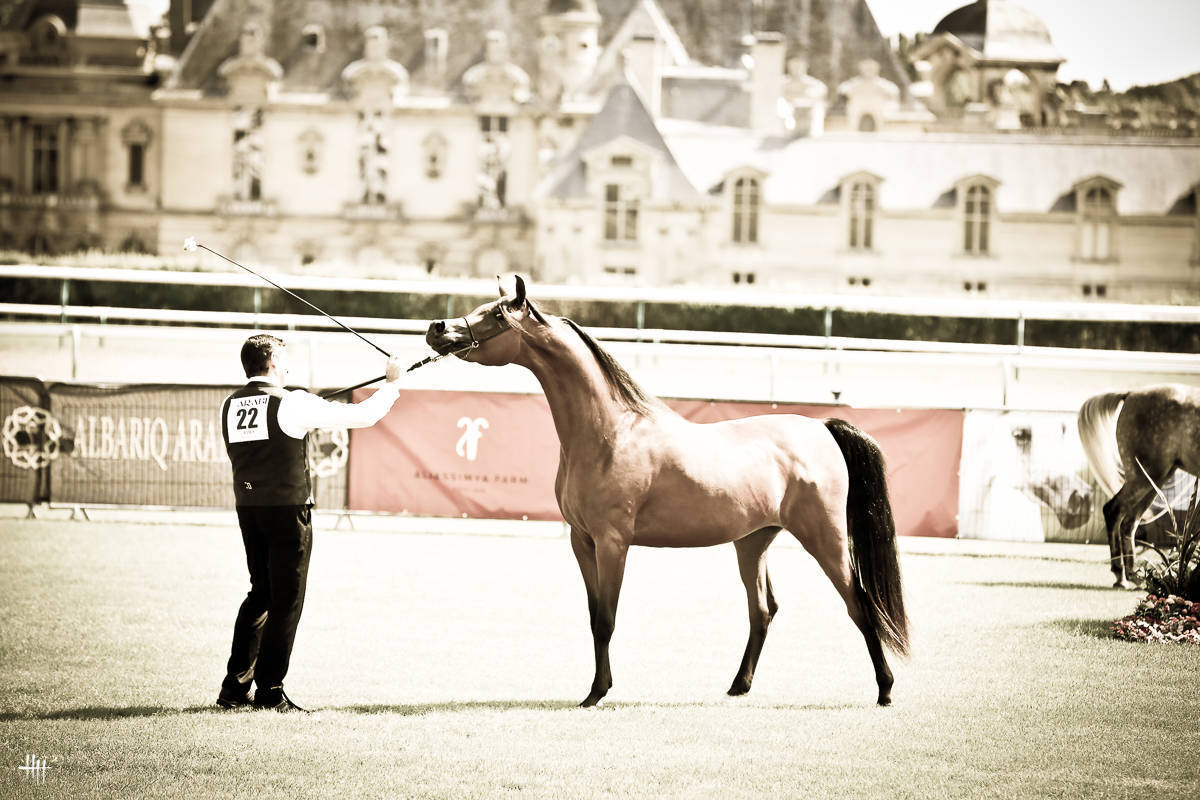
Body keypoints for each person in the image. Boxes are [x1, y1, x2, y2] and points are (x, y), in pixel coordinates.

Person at [216, 334, 402, 712]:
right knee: (286, 600)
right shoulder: (293, 402)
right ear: (272, 362)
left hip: (249, 508)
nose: (288, 367)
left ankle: (234, 688)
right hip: (287, 510)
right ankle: (270, 691)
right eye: (284, 359)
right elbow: (363, 416)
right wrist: (393, 384)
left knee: (260, 594)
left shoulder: (229, 404)